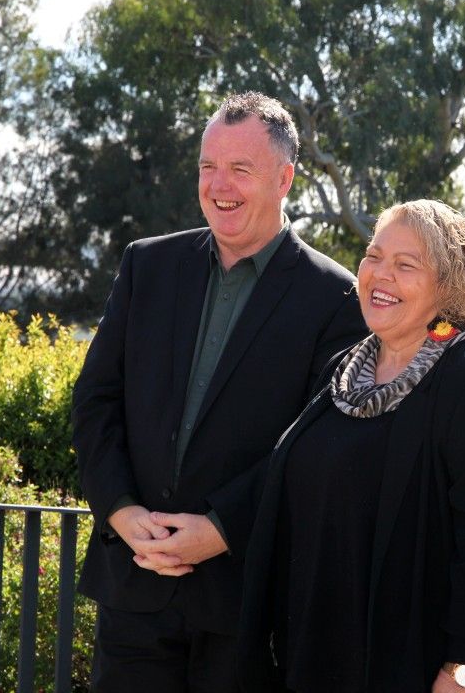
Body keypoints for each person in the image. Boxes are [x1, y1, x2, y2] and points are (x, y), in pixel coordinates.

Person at [72, 92, 368, 692]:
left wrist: (223, 529)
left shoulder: (336, 298)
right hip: (133, 584)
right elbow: (96, 400)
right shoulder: (146, 266)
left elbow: (315, 448)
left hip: (247, 606)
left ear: (285, 178)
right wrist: (121, 510)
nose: (219, 185)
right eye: (208, 167)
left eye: (241, 169)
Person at [236, 199, 465, 693]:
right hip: (316, 658)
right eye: (373, 257)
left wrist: (463, 673)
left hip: (415, 669)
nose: (380, 275)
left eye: (406, 265)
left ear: (448, 285)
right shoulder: (341, 373)